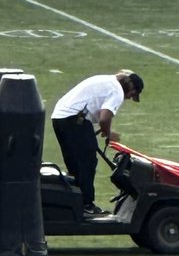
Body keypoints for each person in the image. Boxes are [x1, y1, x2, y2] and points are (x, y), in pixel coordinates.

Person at [50, 69, 144, 215]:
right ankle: (87, 205)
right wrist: (108, 133)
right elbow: (104, 118)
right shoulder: (117, 91)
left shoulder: (105, 80)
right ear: (130, 88)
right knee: (88, 162)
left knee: (74, 164)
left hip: (59, 117)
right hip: (75, 119)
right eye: (132, 95)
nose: (129, 98)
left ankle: (71, 202)